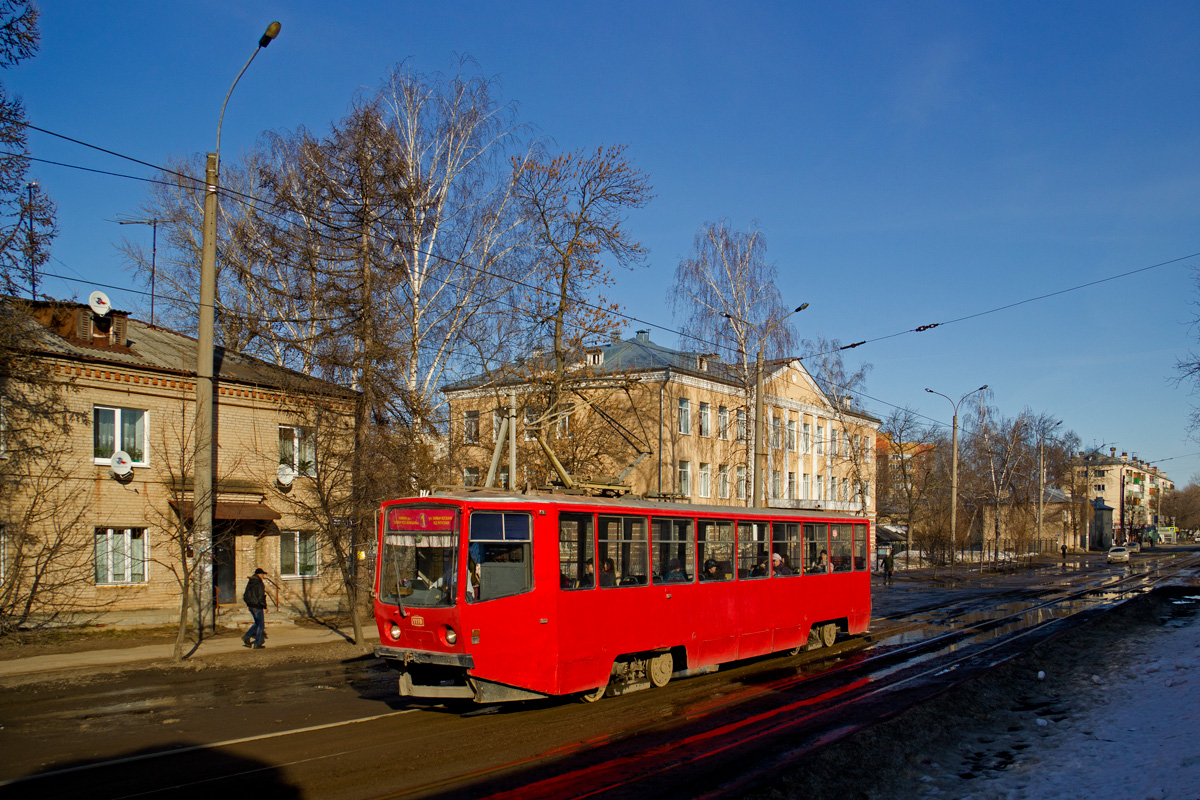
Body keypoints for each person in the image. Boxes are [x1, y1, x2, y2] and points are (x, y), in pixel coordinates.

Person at [242, 567, 268, 649]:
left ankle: (247, 636)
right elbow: (261, 597)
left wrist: (248, 604)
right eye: (263, 574)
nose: (263, 576)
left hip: (251, 606)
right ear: (259, 575)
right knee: (260, 625)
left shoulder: (250, 582)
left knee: (257, 623)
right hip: (257, 606)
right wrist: (264, 606)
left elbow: (245, 595)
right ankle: (258, 643)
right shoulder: (259, 583)